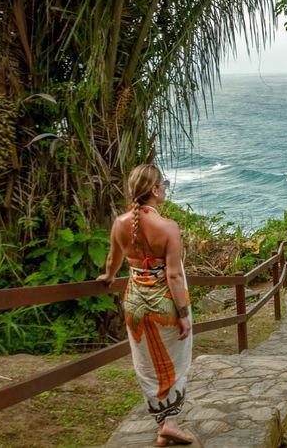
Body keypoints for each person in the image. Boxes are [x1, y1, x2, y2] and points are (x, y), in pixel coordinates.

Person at [97, 164, 195, 446]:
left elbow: (112, 262)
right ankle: (171, 422)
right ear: (154, 191)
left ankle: (163, 424)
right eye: (163, 183)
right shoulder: (168, 228)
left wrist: (109, 277)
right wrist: (184, 314)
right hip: (165, 306)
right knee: (174, 363)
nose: (165, 187)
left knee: (148, 364)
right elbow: (174, 275)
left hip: (135, 305)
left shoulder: (119, 224)